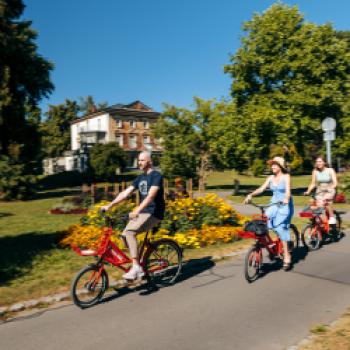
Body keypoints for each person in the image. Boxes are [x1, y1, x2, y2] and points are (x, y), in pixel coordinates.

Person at [101, 151, 165, 280]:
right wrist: (110, 205)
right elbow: (125, 193)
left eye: (142, 160)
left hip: (154, 212)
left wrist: (137, 209)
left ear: (149, 161)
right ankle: (139, 264)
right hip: (143, 212)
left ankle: (135, 267)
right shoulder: (140, 178)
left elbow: (151, 196)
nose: (139, 162)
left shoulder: (156, 176)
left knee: (130, 232)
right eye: (139, 160)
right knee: (124, 235)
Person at [244, 156, 294, 269]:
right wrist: (250, 195)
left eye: (275, 164)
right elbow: (261, 189)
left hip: (285, 205)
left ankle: (286, 255)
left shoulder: (286, 176)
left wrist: (286, 199)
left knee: (280, 228)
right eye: (272, 164)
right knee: (263, 220)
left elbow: (288, 192)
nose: (273, 166)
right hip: (274, 203)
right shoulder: (271, 177)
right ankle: (270, 246)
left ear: (281, 166)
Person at [304, 156, 337, 226]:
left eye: (320, 161)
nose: (318, 163)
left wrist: (330, 188)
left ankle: (331, 217)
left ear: (324, 162)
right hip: (320, 190)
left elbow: (335, 183)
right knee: (313, 202)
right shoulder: (315, 171)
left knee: (325, 200)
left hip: (329, 189)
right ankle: (318, 220)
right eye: (317, 162)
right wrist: (308, 191)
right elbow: (313, 183)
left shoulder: (330, 170)